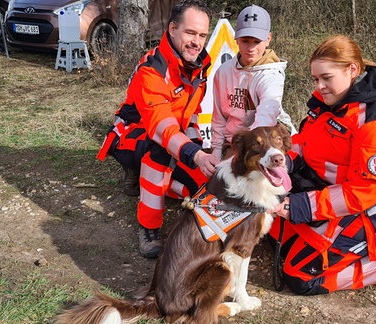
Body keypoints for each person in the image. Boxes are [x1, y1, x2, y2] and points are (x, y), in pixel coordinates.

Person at [267, 34, 376, 295]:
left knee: (301, 277)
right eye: (316, 79)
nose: (320, 86)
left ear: (352, 70)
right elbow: (304, 142)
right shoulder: (333, 102)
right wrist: (282, 164)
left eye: (327, 78)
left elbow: (362, 192)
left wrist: (302, 206)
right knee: (272, 232)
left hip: (360, 214)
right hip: (323, 195)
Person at [96, 0, 220, 258]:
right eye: (190, 32)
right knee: (160, 152)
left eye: (202, 35)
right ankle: (148, 226)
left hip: (172, 134)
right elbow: (160, 127)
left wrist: (197, 151)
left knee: (202, 185)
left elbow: (194, 114)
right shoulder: (153, 69)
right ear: (173, 29)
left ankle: (152, 184)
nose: (196, 41)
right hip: (133, 136)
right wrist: (194, 155)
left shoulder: (198, 67)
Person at [210, 4, 296, 160]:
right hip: (233, 142)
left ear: (268, 39)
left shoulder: (271, 76)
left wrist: (245, 151)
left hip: (263, 142)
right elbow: (218, 118)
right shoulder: (223, 72)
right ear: (236, 38)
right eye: (245, 40)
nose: (250, 48)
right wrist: (216, 153)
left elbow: (266, 116)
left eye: (256, 41)